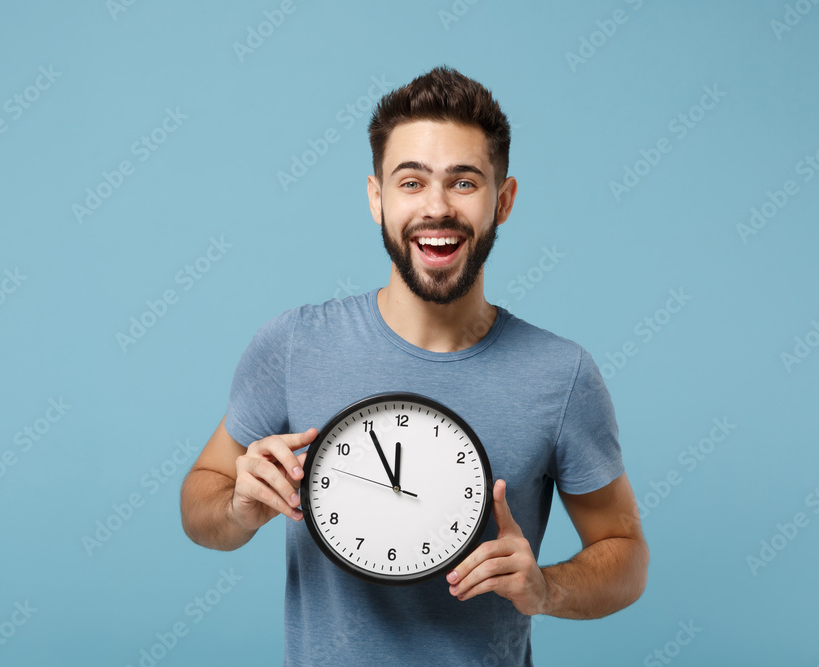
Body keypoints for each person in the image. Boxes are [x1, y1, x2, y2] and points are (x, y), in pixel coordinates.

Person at [180, 65, 648, 666]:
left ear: (502, 202)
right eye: (411, 182)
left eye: (463, 182)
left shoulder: (562, 376)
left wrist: (547, 588)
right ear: (377, 198)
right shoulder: (293, 345)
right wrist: (237, 508)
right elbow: (202, 501)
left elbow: (626, 552)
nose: (436, 207)